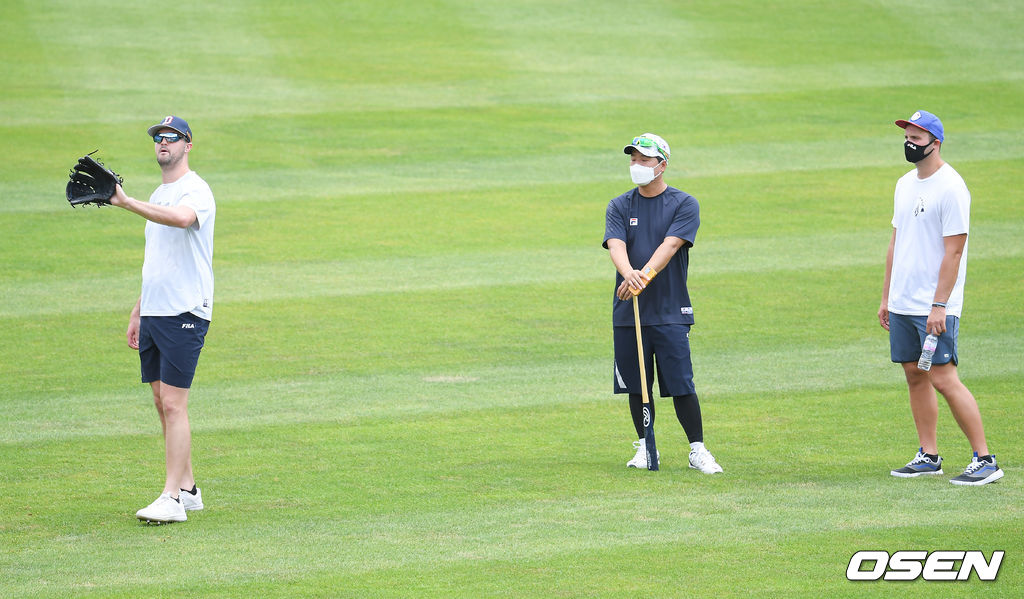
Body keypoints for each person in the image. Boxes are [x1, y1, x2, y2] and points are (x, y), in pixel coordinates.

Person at [879, 110, 1003, 486]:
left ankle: (985, 459)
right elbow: (896, 242)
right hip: (903, 302)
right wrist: (886, 296)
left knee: (945, 378)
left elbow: (954, 252)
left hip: (933, 306)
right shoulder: (904, 184)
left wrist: (940, 305)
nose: (909, 143)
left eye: (917, 138)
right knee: (915, 376)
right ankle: (928, 455)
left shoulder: (952, 187)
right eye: (907, 136)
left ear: (936, 142)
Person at [110, 116, 217, 521]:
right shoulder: (160, 191)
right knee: (160, 400)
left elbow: (183, 219)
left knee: (174, 402)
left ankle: (171, 499)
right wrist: (140, 309)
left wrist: (126, 202)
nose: (163, 143)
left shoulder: (196, 190)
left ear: (187, 145)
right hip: (157, 310)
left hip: (184, 310)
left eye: (171, 138)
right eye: (158, 138)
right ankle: (188, 489)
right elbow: (159, 260)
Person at [602, 133, 722, 474]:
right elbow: (615, 244)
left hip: (670, 310)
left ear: (662, 165)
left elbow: (670, 246)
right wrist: (630, 276)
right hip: (629, 311)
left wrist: (643, 277)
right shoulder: (619, 205)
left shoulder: (684, 204)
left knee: (681, 384)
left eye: (643, 160)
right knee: (636, 385)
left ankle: (697, 449)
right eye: (633, 159)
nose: (636, 165)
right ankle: (645, 447)